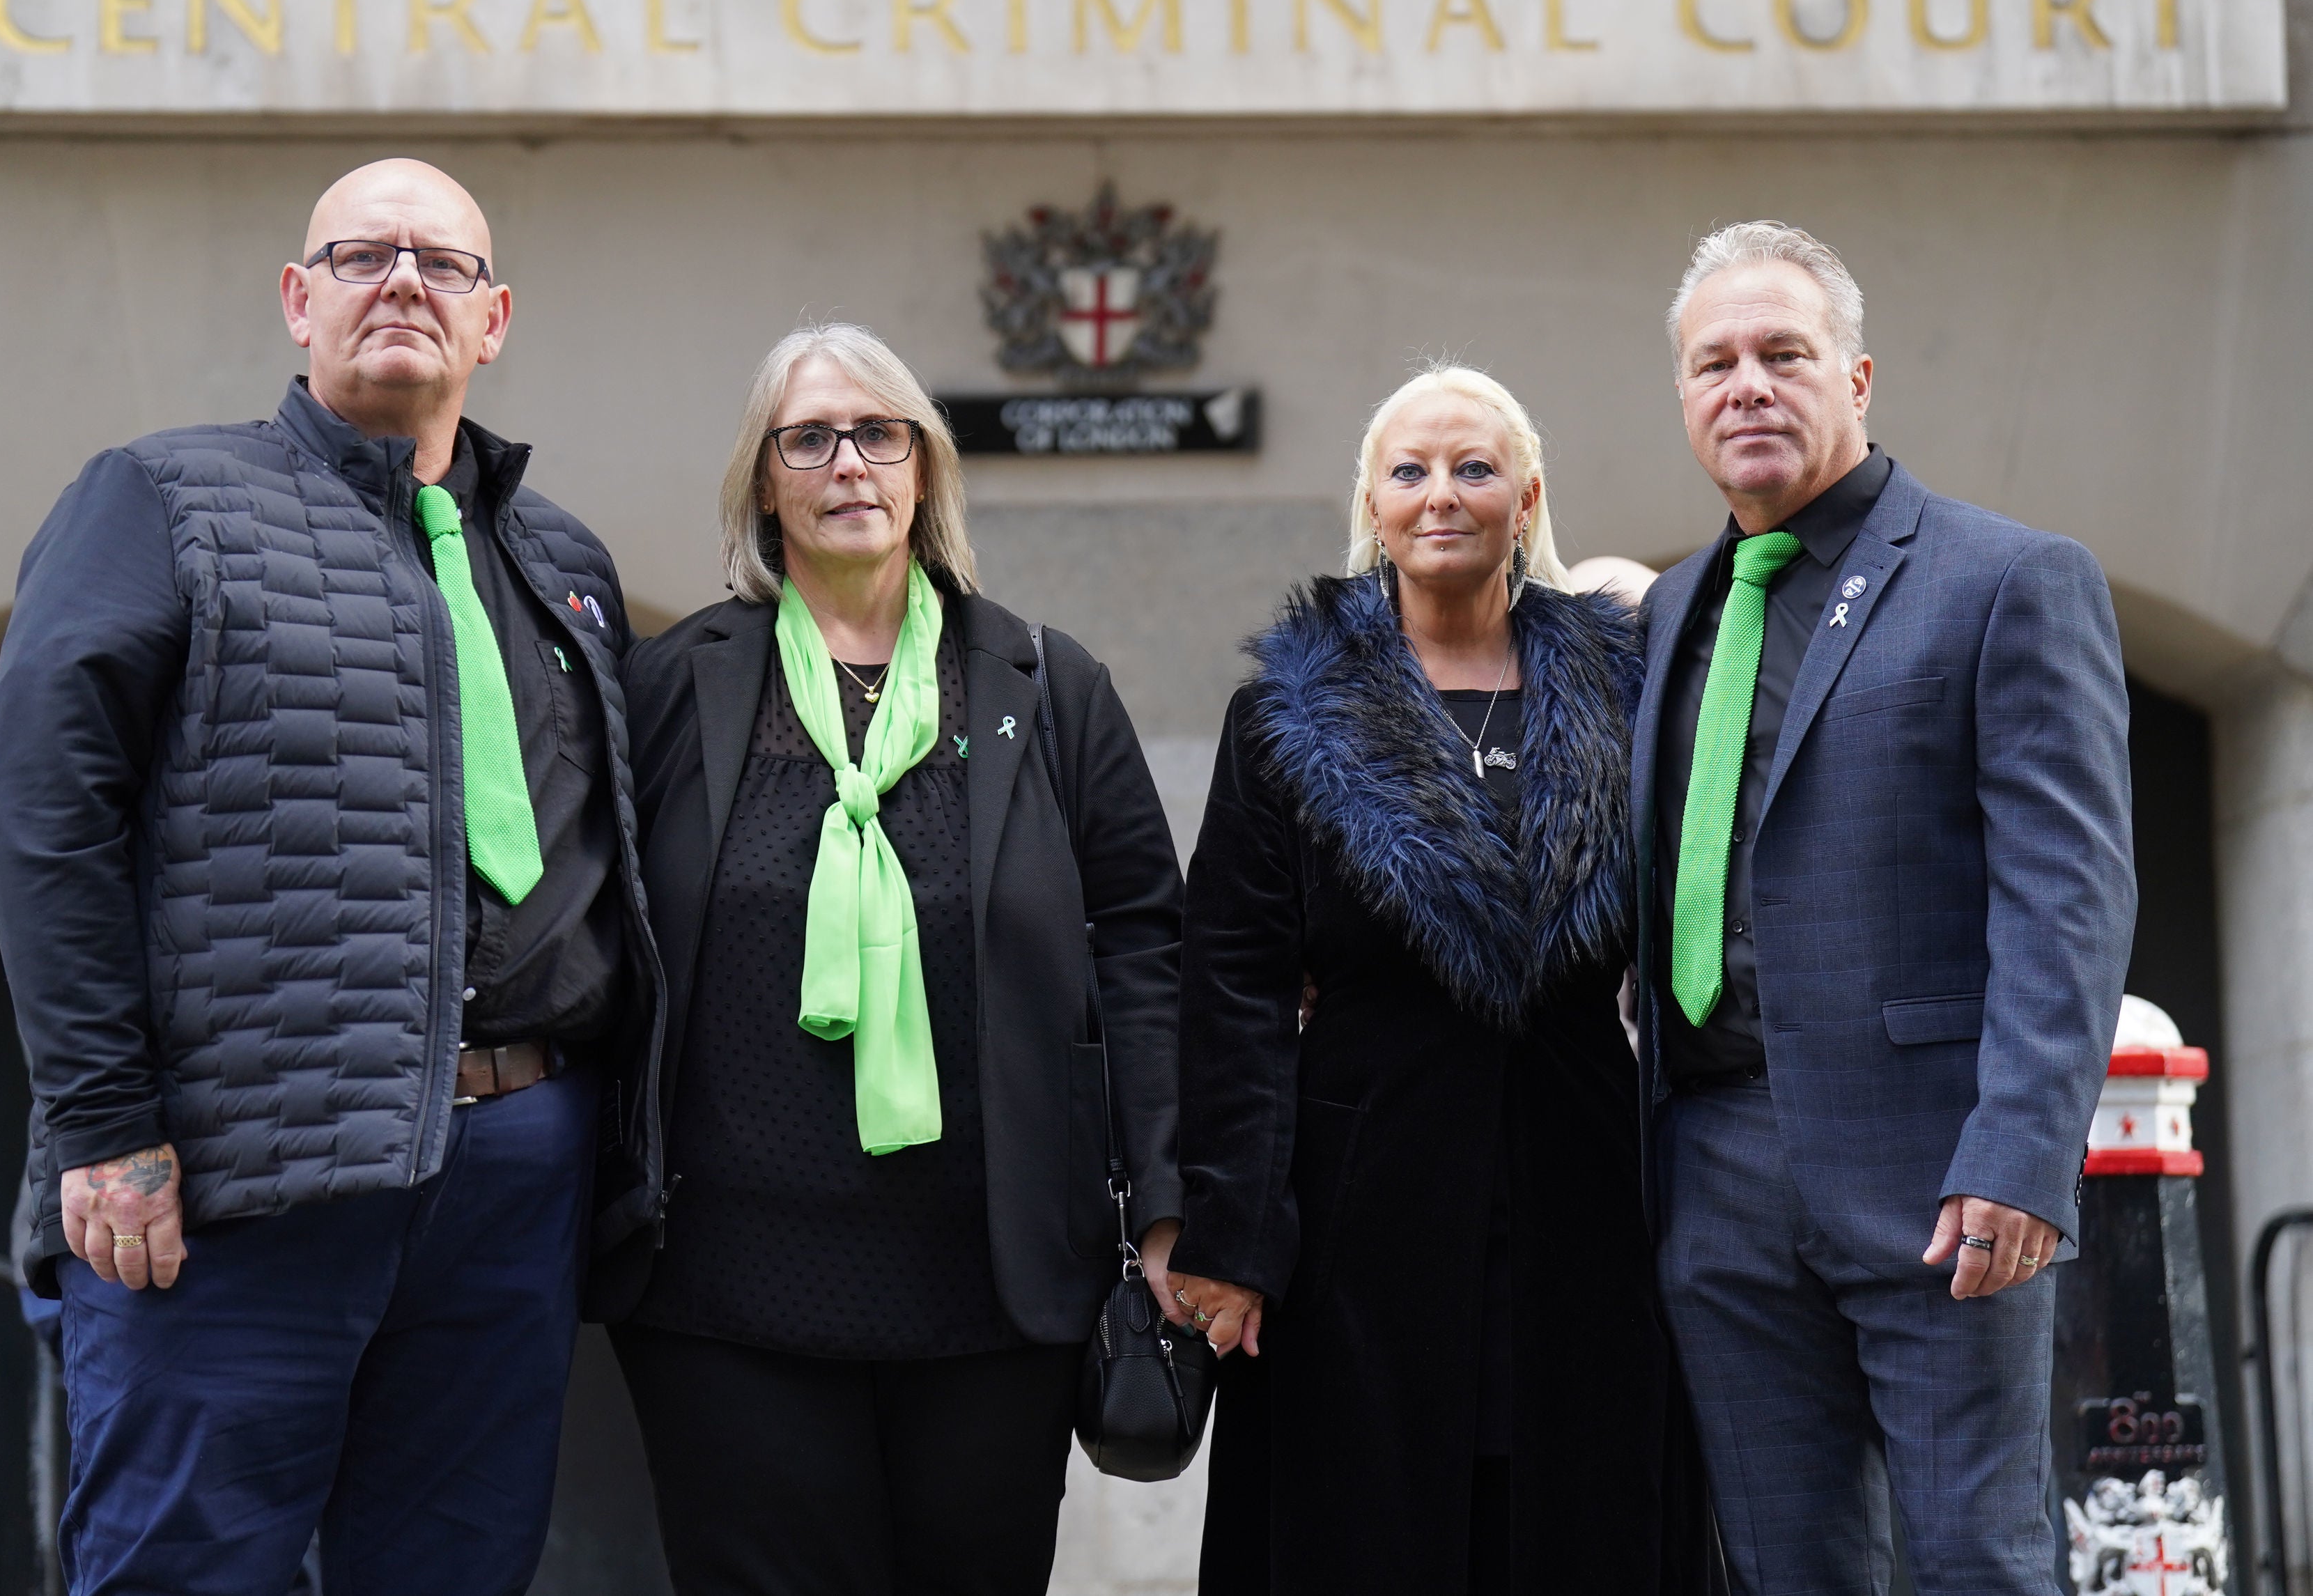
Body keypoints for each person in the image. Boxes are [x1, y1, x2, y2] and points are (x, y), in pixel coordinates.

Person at [0, 157, 662, 1596]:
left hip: (516, 1170)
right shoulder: (160, 498)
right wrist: (106, 1122)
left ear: (496, 319)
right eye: (362, 255)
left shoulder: (560, 561)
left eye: (443, 263)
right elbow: (49, 819)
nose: (403, 279)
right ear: (300, 300)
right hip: (232, 1179)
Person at [600, 322, 1185, 1595]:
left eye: (879, 434)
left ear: (926, 469)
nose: (846, 463)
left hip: (990, 1286)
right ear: (766, 482)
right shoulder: (677, 683)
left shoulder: (1045, 683)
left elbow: (1145, 945)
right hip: (726, 1293)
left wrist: (1168, 1203)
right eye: (808, 438)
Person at [1635, 221, 2135, 1594]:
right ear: (1683, 398)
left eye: (1781, 353)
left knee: (1973, 1556)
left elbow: (2070, 895)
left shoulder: (2005, 580)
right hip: (1713, 1169)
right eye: (1713, 362)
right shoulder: (1669, 609)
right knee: (1783, 1567)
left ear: (1855, 379)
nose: (1747, 384)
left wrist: (2022, 1152)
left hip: (1935, 1171)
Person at [1168, 365, 1709, 1594]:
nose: (1441, 495)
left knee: (1579, 1526)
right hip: (1357, 1212)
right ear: (1372, 501)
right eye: (1410, 470)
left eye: (1473, 467)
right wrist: (1230, 1235)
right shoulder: (1286, 719)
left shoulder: (1629, 691)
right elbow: (1233, 985)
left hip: (1585, 1196)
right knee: (1366, 1534)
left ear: (1528, 495)